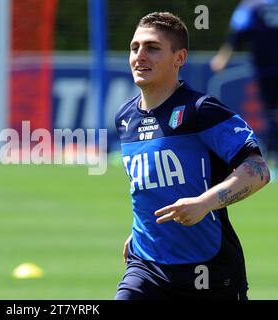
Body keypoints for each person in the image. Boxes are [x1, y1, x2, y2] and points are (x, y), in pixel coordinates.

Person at [114, 12, 270, 300]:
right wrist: (141, 231)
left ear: (179, 58)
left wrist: (204, 203)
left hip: (210, 271)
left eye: (152, 48)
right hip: (147, 267)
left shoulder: (202, 110)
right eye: (135, 47)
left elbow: (258, 169)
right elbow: (148, 188)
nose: (139, 56)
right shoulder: (125, 118)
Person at [211, 0, 278, 179]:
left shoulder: (251, 6)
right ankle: (274, 158)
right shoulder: (253, 7)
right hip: (266, 69)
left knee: (272, 114)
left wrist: (223, 56)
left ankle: (273, 157)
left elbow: (238, 31)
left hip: (266, 69)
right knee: (273, 115)